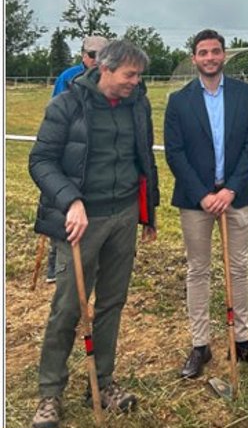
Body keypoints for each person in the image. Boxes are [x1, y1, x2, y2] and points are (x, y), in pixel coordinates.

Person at [29, 40, 159, 428]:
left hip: (122, 217)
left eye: (139, 76)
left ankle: (102, 383)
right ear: (105, 68)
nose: (136, 82)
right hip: (80, 223)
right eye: (129, 75)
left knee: (112, 304)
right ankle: (49, 393)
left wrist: (148, 211)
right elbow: (40, 160)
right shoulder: (67, 105)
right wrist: (71, 200)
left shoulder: (138, 104)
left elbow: (144, 156)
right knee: (67, 309)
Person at [164, 28, 248, 379]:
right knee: (198, 270)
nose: (209, 57)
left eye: (215, 51)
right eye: (202, 52)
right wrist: (203, 194)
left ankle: (240, 340)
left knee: (238, 268)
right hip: (196, 201)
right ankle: (200, 345)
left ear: (224, 55)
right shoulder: (179, 101)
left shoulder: (245, 94)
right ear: (194, 58)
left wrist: (230, 190)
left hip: (236, 197)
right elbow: (175, 153)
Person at [45, 35, 109, 283]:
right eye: (93, 55)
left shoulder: (111, 77)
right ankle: (55, 262)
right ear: (83, 55)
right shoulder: (68, 77)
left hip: (98, 157)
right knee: (63, 208)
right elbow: (55, 113)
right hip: (69, 151)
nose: (97, 60)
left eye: (102, 55)